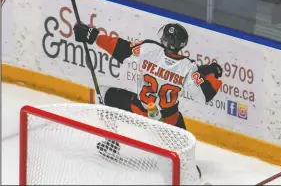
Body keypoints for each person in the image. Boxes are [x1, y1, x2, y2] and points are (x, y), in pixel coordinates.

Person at [73, 22, 223, 166]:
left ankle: (111, 142)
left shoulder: (149, 49)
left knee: (103, 93)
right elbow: (206, 93)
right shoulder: (188, 67)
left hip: (139, 109)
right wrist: (211, 73)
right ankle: (187, 168)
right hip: (168, 121)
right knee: (185, 157)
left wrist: (93, 36)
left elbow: (121, 49)